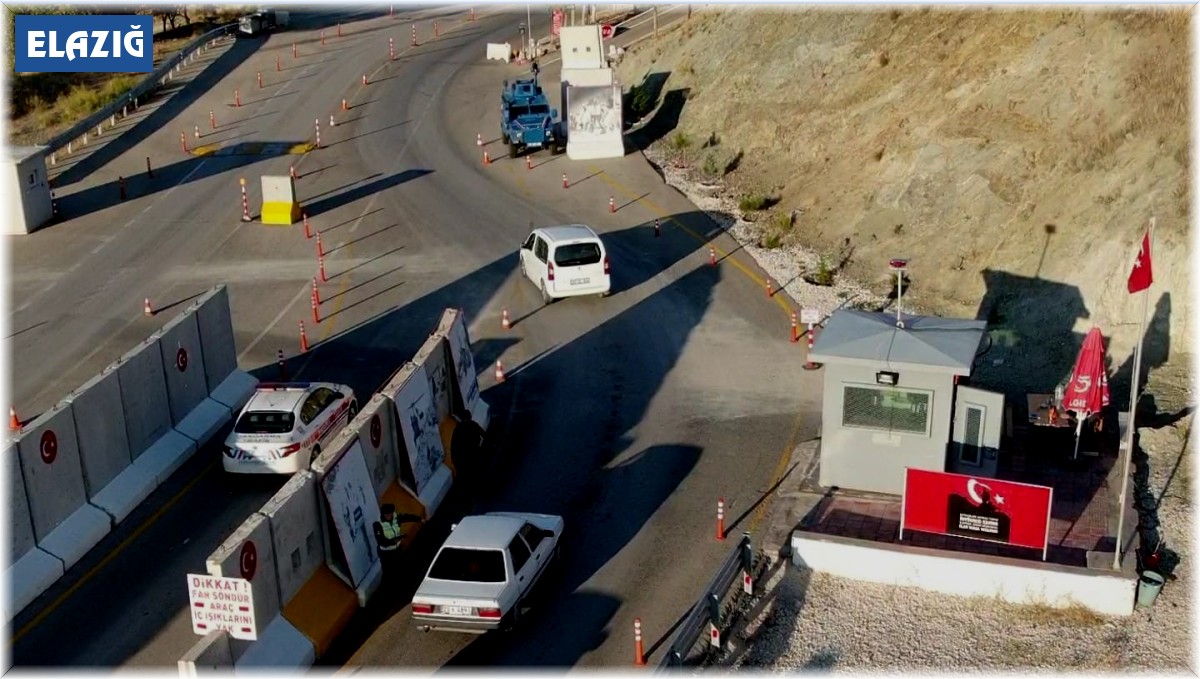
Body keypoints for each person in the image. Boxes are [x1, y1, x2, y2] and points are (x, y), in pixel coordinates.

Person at [373, 504, 421, 578]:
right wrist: (395, 540)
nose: (389, 516)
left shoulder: (395, 518)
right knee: (389, 573)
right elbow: (381, 541)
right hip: (386, 554)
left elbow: (406, 517)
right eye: (386, 515)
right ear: (383, 514)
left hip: (397, 550)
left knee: (403, 568)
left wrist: (419, 519)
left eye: (390, 514)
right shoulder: (378, 524)